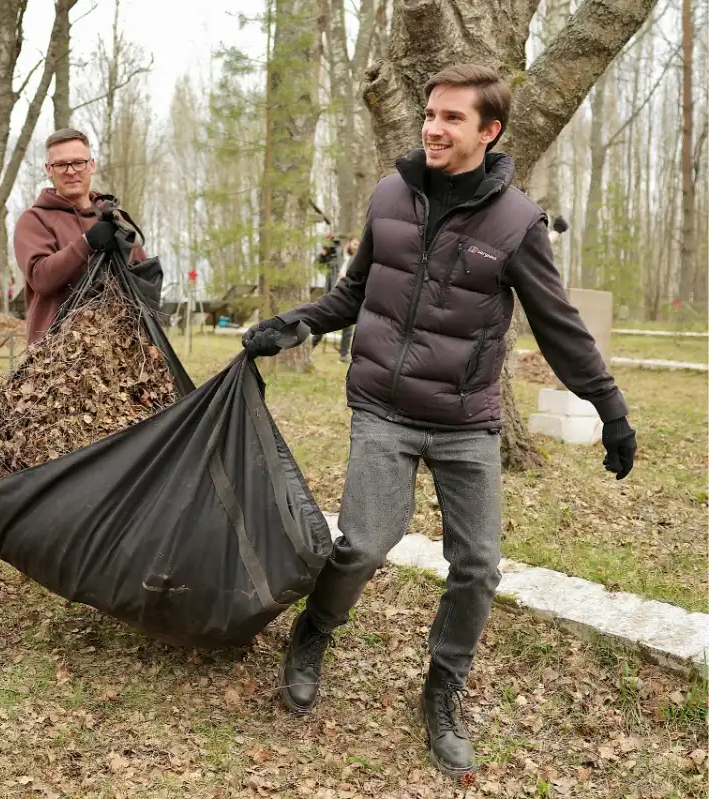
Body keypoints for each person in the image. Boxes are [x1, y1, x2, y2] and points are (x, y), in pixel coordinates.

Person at [242, 64, 637, 778]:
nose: (433, 126)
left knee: (478, 566)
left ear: (489, 131)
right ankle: (314, 631)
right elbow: (355, 294)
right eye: (430, 113)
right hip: (383, 407)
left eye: (452, 118)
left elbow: (560, 325)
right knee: (363, 542)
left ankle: (442, 685)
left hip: (465, 420)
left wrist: (608, 406)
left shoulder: (516, 221)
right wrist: (292, 325)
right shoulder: (391, 195)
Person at [13, 128, 147, 344]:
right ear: (49, 169)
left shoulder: (114, 221)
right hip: (55, 358)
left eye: (78, 162)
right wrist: (87, 243)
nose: (70, 171)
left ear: (91, 165)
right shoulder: (34, 220)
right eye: (61, 164)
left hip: (118, 353)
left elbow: (143, 277)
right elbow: (41, 278)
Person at [309, 236, 360, 360]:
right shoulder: (335, 256)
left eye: (358, 245)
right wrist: (323, 253)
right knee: (321, 324)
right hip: (331, 295)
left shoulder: (356, 261)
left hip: (346, 296)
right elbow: (319, 264)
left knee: (348, 326)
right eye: (354, 244)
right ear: (348, 243)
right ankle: (308, 351)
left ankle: (344, 355)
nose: (356, 247)